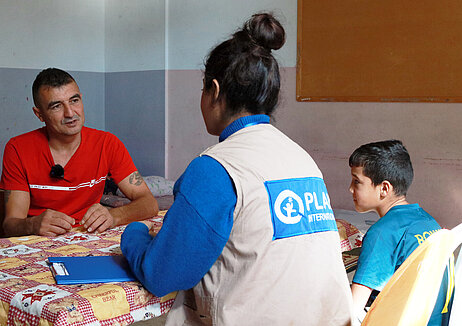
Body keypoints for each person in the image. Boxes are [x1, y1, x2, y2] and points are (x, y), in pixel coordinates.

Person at [120, 13, 352, 325]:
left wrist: (133, 234)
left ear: (214, 91)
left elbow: (162, 275)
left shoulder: (216, 168)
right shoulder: (301, 158)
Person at [0, 68, 158, 237]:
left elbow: (149, 203)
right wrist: (32, 225)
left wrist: (113, 215)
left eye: (74, 101)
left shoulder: (107, 143)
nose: (70, 113)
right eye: (56, 106)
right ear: (39, 114)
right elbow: (11, 224)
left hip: (89, 239)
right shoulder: (18, 148)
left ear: (81, 100)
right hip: (40, 244)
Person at [349, 140, 452, 325]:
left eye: (357, 181)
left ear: (384, 188)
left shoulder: (382, 233)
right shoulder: (429, 222)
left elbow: (351, 309)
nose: (350, 188)